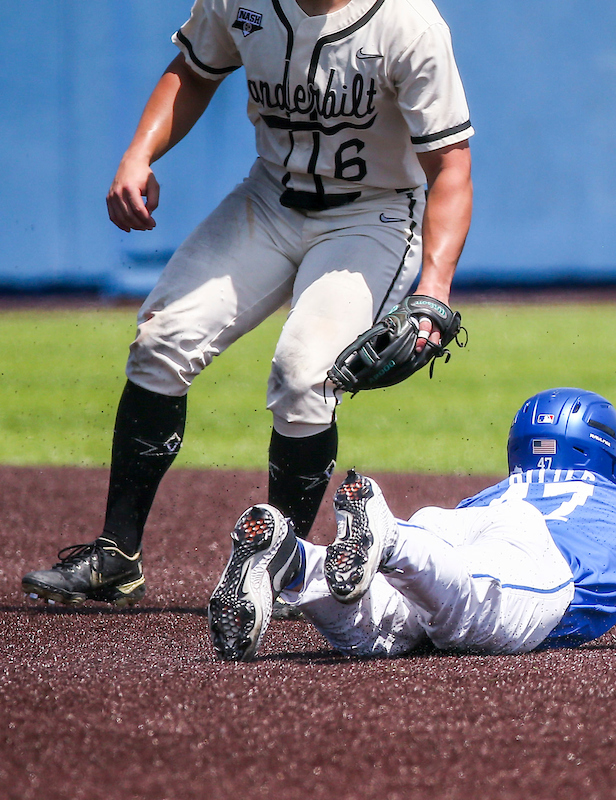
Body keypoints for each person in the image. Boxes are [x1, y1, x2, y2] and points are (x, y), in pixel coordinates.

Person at [22, 0, 474, 608]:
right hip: (270, 198)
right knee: (161, 341)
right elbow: (193, 70)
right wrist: (139, 154)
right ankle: (116, 557)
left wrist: (434, 290)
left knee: (304, 376)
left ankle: (275, 573)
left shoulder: (408, 22)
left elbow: (449, 167)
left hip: (374, 214)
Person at [207, 388, 616, 661]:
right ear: (606, 453)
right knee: (467, 614)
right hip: (539, 568)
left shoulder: (497, 489)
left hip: (455, 528)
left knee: (390, 627)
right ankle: (389, 536)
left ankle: (296, 564)